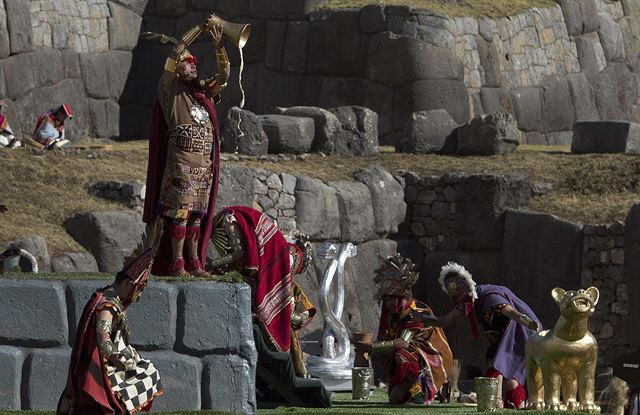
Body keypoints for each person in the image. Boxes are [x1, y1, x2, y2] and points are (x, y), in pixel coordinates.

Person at [143, 15, 230, 278]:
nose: (192, 67)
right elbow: (176, 50)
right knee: (180, 214)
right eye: (187, 65)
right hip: (181, 163)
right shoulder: (169, 89)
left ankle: (195, 263)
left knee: (196, 216)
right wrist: (199, 30)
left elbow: (225, 74)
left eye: (194, 65)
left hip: (203, 165)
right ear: (177, 69)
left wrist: (218, 46)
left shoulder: (203, 94)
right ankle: (177, 264)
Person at [56, 222, 165, 415]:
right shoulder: (108, 305)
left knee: (147, 372)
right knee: (143, 377)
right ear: (126, 282)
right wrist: (114, 356)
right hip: (102, 368)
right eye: (136, 289)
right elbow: (103, 334)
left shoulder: (106, 294)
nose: (135, 295)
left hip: (105, 363)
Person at [210, 206, 314, 362]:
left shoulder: (229, 219)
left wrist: (212, 265)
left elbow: (239, 253)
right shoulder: (228, 219)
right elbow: (239, 253)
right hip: (260, 283)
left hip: (273, 289)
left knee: (287, 315)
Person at [434, 261, 541, 409]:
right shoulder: (467, 302)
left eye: (462, 301)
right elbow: (446, 320)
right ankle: (514, 404)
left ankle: (495, 401)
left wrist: (528, 322)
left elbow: (510, 311)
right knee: (508, 377)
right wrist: (423, 318)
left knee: (497, 368)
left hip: (520, 332)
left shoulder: (489, 296)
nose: (461, 306)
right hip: (500, 337)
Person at [355, 254, 453, 405]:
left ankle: (423, 388)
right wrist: (362, 347)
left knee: (401, 354)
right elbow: (385, 339)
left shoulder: (415, 312)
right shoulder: (391, 313)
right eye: (386, 299)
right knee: (395, 399)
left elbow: (403, 343)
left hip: (432, 354)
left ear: (402, 298)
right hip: (411, 355)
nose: (388, 303)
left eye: (392, 298)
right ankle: (417, 386)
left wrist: (372, 347)